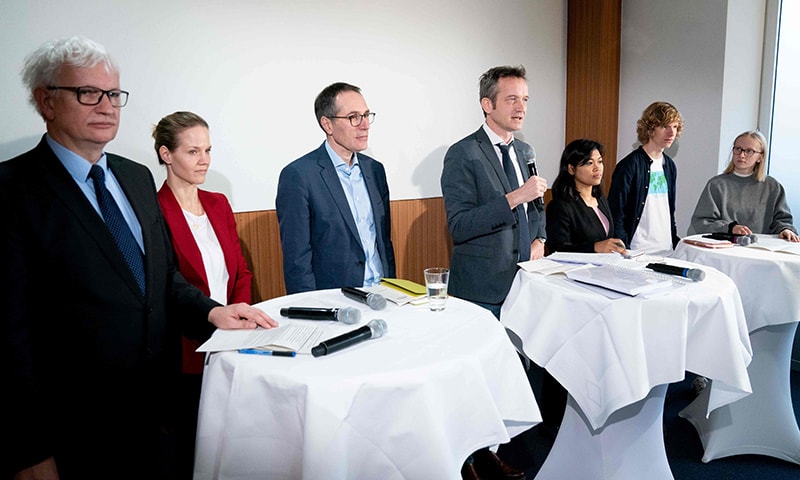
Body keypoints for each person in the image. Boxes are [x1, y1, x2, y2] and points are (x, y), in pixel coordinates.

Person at [0, 36, 277, 480]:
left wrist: (213, 313)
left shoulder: (133, 177)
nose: (107, 106)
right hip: (76, 428)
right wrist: (29, 451)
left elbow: (161, 278)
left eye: (113, 94)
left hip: (158, 411)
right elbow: (7, 335)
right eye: (88, 93)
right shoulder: (12, 191)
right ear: (46, 101)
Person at [441, 64, 547, 480]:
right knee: (480, 381)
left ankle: (506, 450)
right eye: (511, 99)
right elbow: (460, 226)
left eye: (525, 99)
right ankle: (473, 460)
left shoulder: (525, 151)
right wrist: (514, 197)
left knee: (520, 375)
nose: (521, 108)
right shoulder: (463, 153)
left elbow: (537, 208)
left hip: (526, 282)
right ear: (487, 105)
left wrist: (539, 239)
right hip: (483, 288)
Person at [153, 111, 256, 475]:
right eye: (193, 152)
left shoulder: (217, 202)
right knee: (193, 444)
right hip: (186, 346)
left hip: (234, 337)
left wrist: (240, 315)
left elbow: (240, 270)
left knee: (238, 440)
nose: (205, 160)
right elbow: (167, 285)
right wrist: (212, 321)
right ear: (167, 155)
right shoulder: (153, 210)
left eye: (208, 150)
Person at [276, 82, 395, 294]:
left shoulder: (375, 170)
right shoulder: (299, 176)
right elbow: (297, 260)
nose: (365, 125)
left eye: (366, 115)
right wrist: (309, 309)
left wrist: (393, 290)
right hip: (334, 301)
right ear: (327, 125)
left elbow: (383, 242)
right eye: (354, 117)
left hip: (381, 293)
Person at [688, 130, 799, 242]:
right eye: (738, 149)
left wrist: (785, 229)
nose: (741, 155)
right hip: (724, 248)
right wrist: (730, 228)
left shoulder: (772, 187)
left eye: (749, 151)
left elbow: (782, 219)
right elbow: (701, 222)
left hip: (761, 249)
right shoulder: (717, 185)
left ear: (760, 157)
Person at [608, 101, 684, 253]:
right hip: (638, 249)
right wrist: (623, 247)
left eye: (675, 127)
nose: (671, 133)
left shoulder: (669, 166)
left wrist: (675, 241)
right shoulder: (629, 165)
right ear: (650, 129)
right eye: (665, 127)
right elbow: (616, 212)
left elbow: (669, 210)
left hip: (666, 248)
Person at [546, 139, 627, 254]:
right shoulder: (560, 206)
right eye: (589, 163)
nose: (597, 168)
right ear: (571, 169)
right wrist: (594, 247)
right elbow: (557, 249)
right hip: (574, 270)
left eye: (599, 161)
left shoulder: (600, 198)